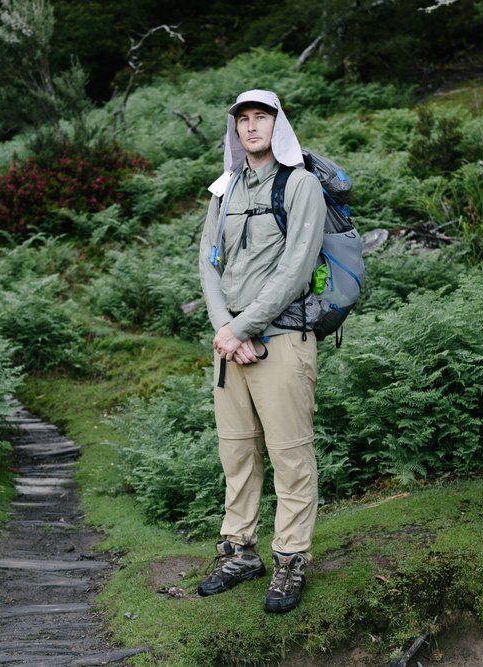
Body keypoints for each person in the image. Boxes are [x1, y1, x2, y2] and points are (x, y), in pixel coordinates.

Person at [197, 89, 326, 613]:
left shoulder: (301, 186)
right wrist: (227, 330)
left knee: (289, 454)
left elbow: (296, 268)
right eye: (243, 120)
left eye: (261, 118)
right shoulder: (224, 190)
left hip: (283, 341)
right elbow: (208, 263)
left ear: (279, 125)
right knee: (237, 451)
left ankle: (291, 559)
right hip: (232, 347)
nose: (251, 127)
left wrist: (244, 328)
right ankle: (239, 552)